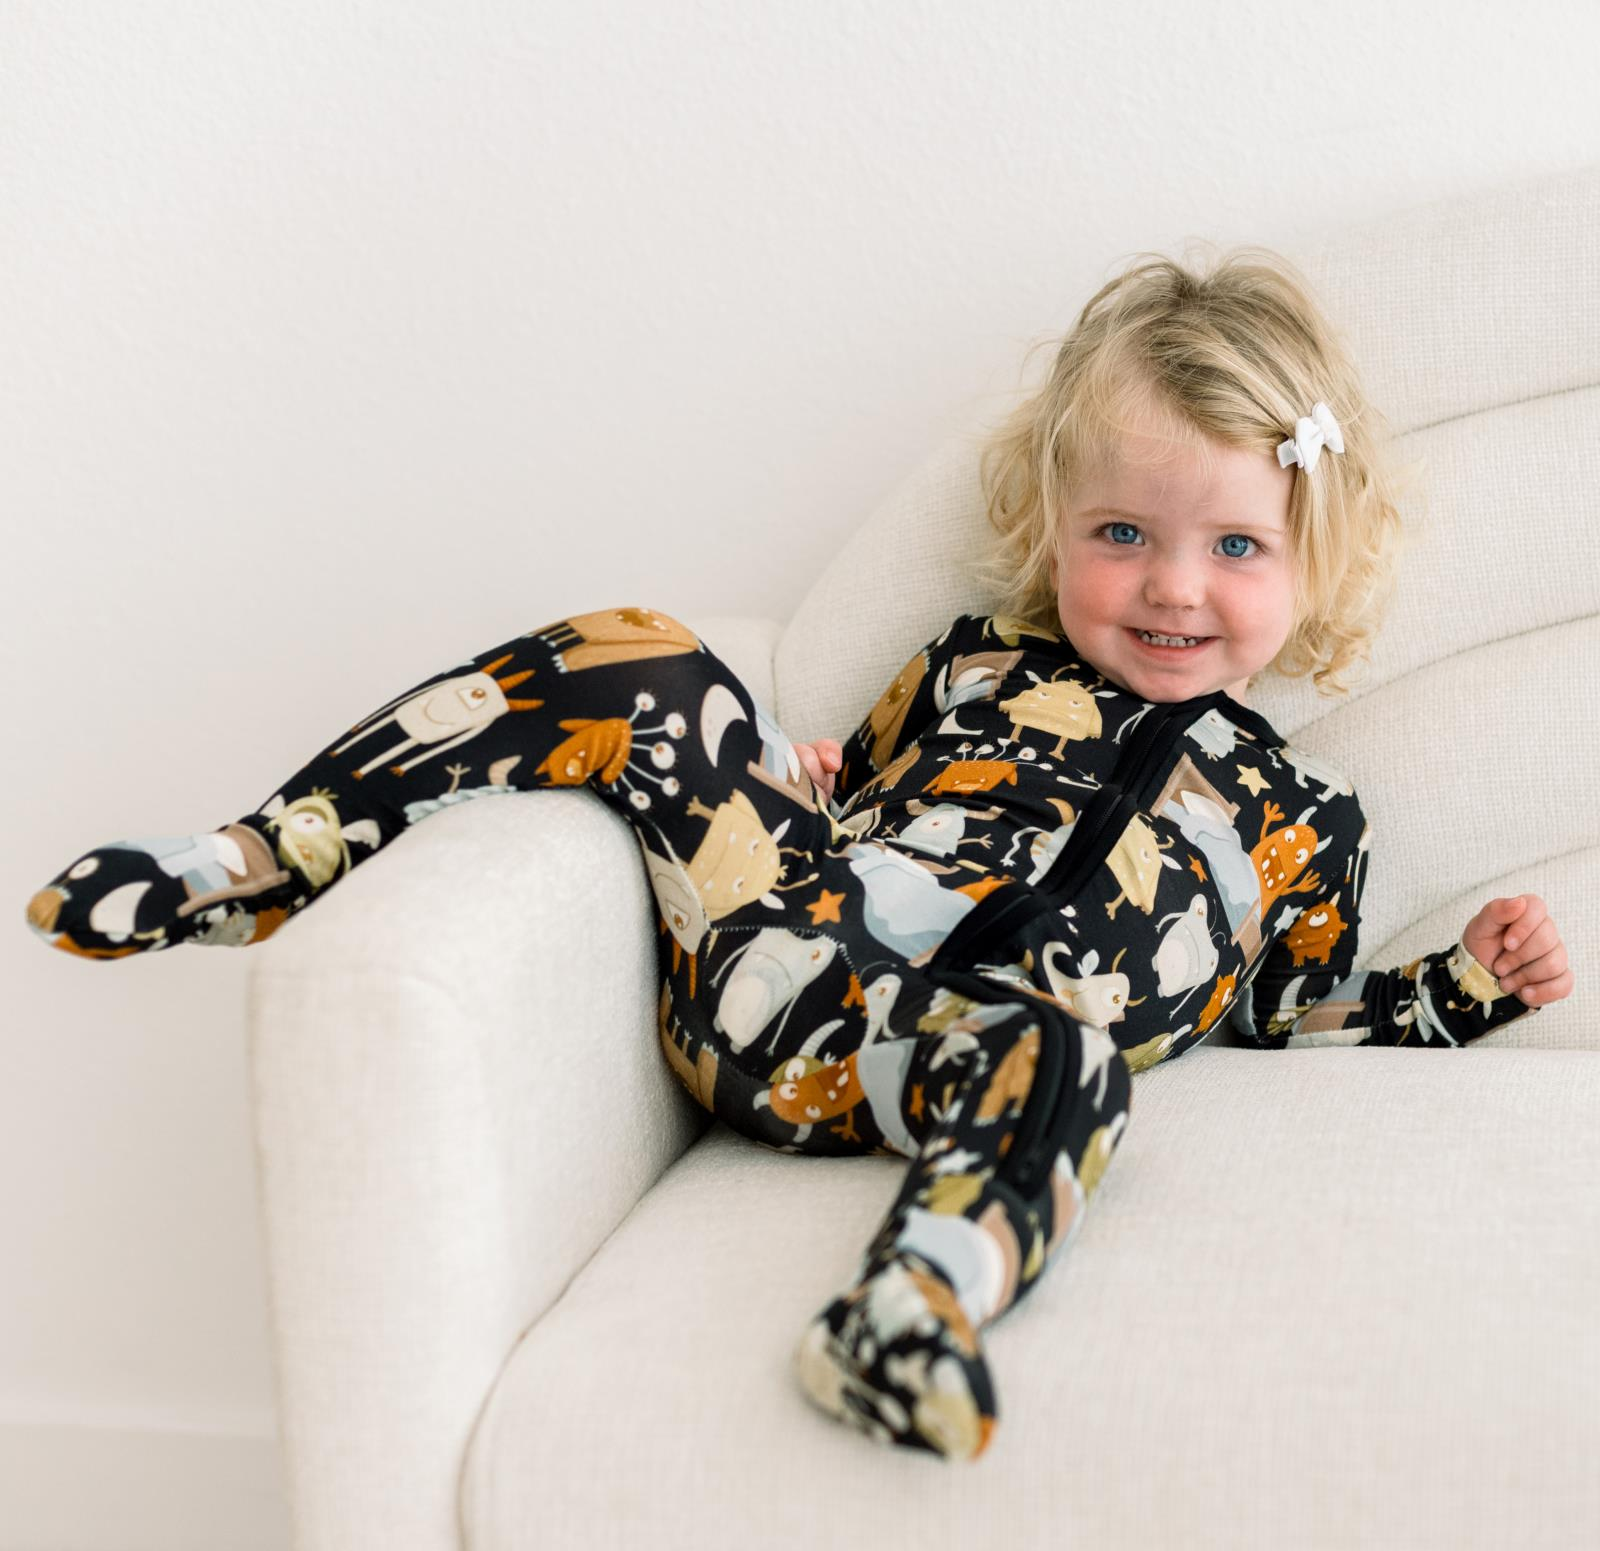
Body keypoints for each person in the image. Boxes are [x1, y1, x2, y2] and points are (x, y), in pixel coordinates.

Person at [25, 247, 1573, 1465]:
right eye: (1124, 535)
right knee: (647, 652)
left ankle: (908, 1312)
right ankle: (269, 854)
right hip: (782, 963)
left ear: (1313, 562)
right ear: (1055, 529)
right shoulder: (971, 664)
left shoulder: (1304, 817)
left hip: (952, 1056)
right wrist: (812, 795)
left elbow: (1286, 1016)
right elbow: (866, 800)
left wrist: (1455, 991)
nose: (1174, 587)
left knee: (1071, 1054)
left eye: (1235, 547)